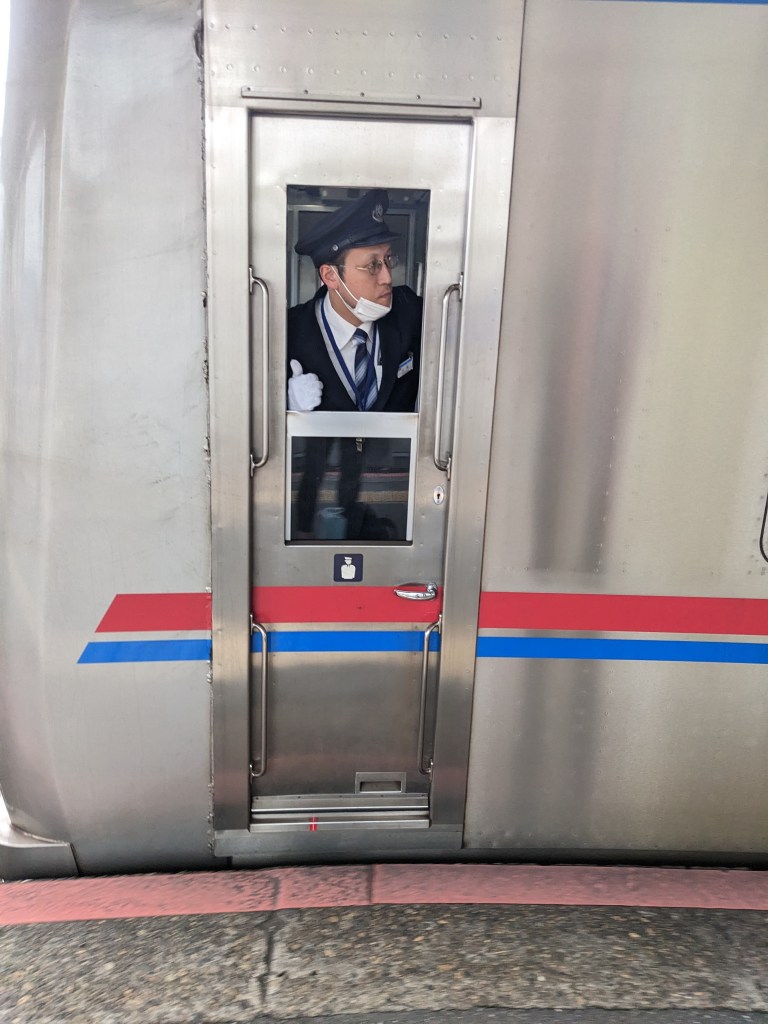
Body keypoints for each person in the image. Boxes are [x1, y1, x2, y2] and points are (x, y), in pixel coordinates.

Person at [287, 189, 423, 540]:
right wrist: (281, 402)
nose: (387, 278)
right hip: (309, 507)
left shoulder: (409, 314)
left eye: (387, 260)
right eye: (371, 265)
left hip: (397, 504)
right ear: (331, 276)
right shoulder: (288, 332)